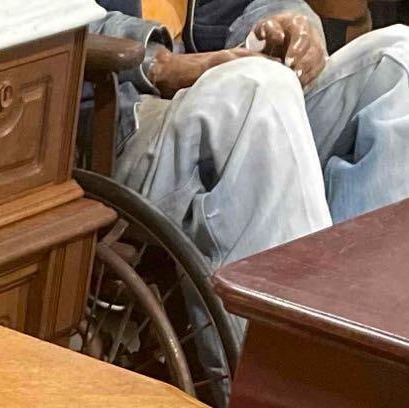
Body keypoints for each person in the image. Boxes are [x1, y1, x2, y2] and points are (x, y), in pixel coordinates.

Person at [92, 1, 409, 275]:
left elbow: (244, 5)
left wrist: (286, 22)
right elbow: (58, 16)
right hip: (115, 117)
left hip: (221, 88)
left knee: (398, 58)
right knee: (258, 89)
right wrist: (160, 63)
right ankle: (296, 336)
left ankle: (363, 317)